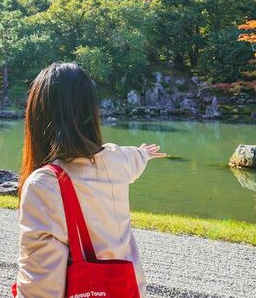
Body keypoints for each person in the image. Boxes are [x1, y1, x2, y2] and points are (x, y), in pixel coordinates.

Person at [15, 62, 166, 298]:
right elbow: (135, 159)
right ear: (90, 111)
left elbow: (40, 285)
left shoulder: (44, 185)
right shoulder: (117, 159)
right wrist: (144, 153)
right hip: (126, 289)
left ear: (38, 115)